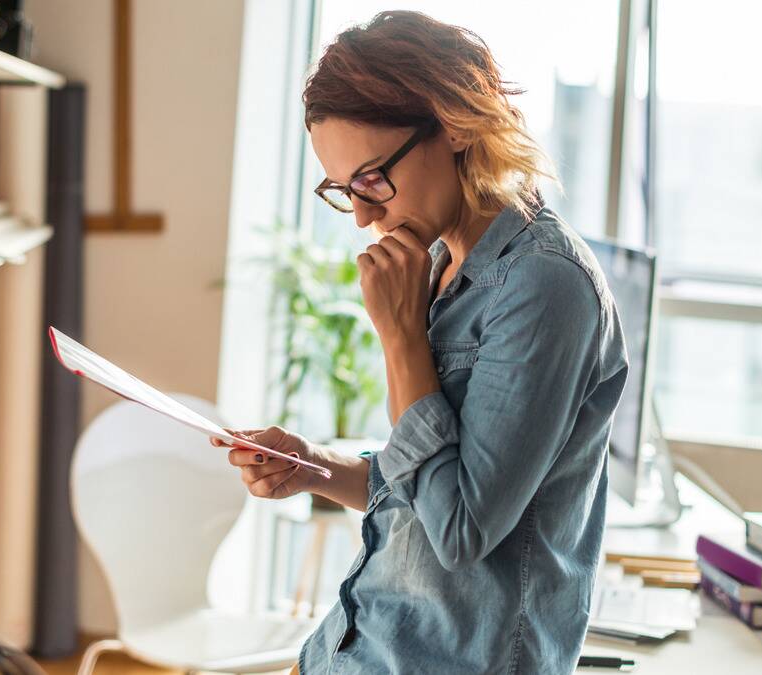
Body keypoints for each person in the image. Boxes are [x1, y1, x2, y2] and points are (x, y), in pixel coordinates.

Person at [213, 11, 628, 674]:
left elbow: (459, 529)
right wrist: (311, 465)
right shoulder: (440, 262)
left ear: (455, 123)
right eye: (343, 189)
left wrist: (402, 336)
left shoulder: (545, 287)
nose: (361, 214)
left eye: (373, 179)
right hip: (356, 645)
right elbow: (424, 485)